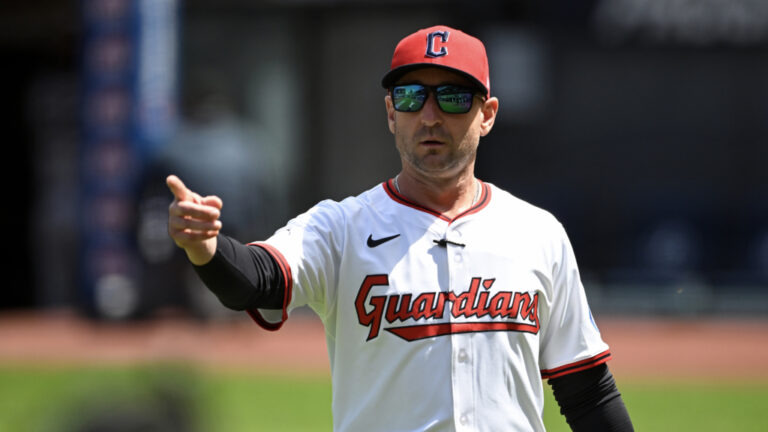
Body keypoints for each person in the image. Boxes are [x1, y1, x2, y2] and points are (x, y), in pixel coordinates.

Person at [167, 25, 633, 432]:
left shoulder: (538, 234)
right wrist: (206, 249)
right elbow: (255, 280)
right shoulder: (342, 228)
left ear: (486, 114)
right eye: (412, 97)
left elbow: (586, 393)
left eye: (451, 97)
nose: (430, 116)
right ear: (392, 113)